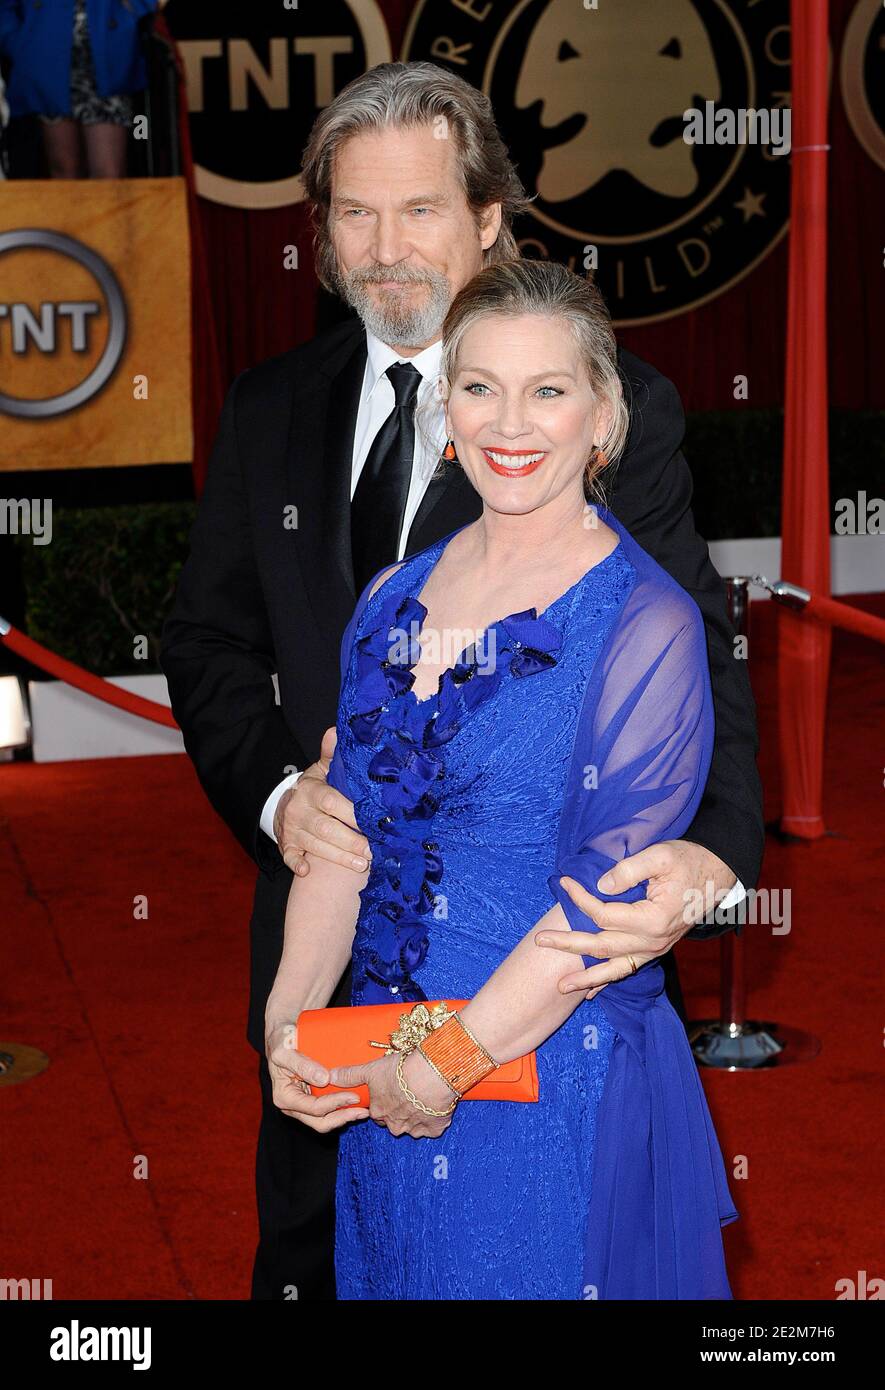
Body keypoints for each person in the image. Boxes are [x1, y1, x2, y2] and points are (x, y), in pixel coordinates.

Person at [160, 61, 762, 1300]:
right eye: (353, 214)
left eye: (420, 209)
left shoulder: (614, 411)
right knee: (318, 1261)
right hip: (335, 964)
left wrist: (711, 857)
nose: (385, 249)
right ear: (321, 233)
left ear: (487, 216)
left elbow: (693, 663)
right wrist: (284, 801)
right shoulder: (270, 405)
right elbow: (210, 643)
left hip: (545, 998)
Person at [265, 256, 739, 1299]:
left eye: (548, 390)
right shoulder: (391, 596)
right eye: (479, 387)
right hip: (382, 1075)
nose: (510, 424)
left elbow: (596, 918)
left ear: (602, 416)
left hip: (541, 1082)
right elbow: (343, 839)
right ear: (446, 406)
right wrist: (289, 1018)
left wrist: (439, 1072)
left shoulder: (644, 625)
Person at [0, 0, 157, 177]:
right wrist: (20, 43)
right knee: (64, 172)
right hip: (47, 60)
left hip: (108, 56)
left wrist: (132, 12)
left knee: (109, 175)